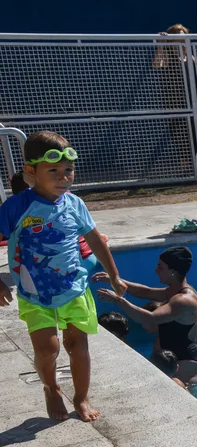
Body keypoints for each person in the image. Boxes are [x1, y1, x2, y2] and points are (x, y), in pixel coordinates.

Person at [0, 133, 122, 421]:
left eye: (68, 170)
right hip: (34, 292)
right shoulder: (16, 207)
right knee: (48, 349)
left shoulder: (75, 204)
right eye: (53, 171)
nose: (63, 177)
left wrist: (115, 275)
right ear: (31, 172)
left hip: (74, 287)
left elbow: (94, 239)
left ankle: (81, 398)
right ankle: (51, 388)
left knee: (77, 346)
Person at [96, 246, 197, 386]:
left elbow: (150, 318)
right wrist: (116, 281)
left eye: (160, 267)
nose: (156, 271)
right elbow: (146, 292)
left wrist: (117, 300)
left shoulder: (184, 300)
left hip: (189, 366)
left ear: (173, 271)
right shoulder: (174, 291)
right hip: (172, 360)